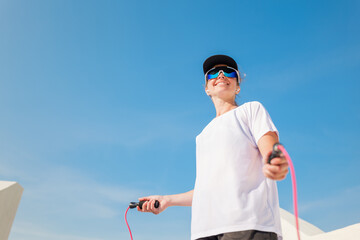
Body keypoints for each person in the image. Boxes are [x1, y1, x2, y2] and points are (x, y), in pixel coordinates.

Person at [138, 55, 289, 240]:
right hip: (204, 230)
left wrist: (274, 162)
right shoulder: (202, 136)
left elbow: (271, 152)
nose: (221, 74)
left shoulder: (251, 110)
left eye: (229, 72)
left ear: (238, 86)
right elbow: (207, 188)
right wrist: (167, 200)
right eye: (212, 73)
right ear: (207, 89)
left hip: (248, 225)